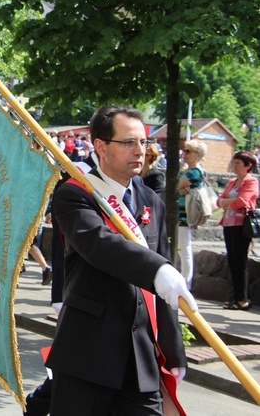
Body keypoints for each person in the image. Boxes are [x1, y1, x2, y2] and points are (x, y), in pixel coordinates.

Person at [47, 105, 195, 415]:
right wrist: (158, 270)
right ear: (100, 146)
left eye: (143, 142)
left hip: (141, 360)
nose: (139, 150)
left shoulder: (150, 200)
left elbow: (164, 286)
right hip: (89, 354)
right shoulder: (74, 194)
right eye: (128, 142)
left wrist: (174, 350)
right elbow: (100, 244)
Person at [217, 151, 258, 310]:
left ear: (248, 166)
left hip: (242, 225)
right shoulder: (232, 181)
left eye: (238, 163)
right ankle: (236, 297)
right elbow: (219, 201)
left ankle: (243, 299)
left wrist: (227, 202)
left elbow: (243, 201)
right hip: (228, 224)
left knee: (240, 262)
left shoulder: (251, 181)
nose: (234, 165)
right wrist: (228, 202)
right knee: (232, 262)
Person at [177, 140, 208, 289]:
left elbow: (177, 185)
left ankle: (185, 283)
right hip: (182, 213)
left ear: (198, 154)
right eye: (184, 150)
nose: (185, 154)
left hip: (185, 215)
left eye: (188, 151)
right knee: (182, 248)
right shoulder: (191, 170)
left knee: (184, 248)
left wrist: (181, 187)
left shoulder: (194, 171)